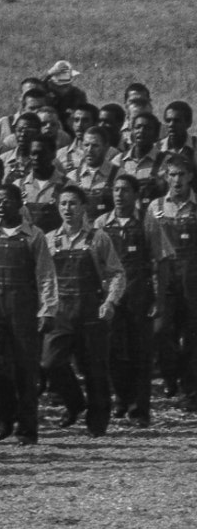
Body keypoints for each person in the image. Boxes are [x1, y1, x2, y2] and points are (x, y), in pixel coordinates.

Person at [0, 184, 57, 445]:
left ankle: (27, 429)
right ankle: (5, 413)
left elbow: (45, 274)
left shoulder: (34, 236)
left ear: (19, 203)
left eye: (7, 200)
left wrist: (47, 309)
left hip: (23, 307)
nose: (1, 205)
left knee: (26, 369)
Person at [43, 186, 125, 437]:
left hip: (91, 312)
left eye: (73, 203)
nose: (68, 209)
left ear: (84, 207)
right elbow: (43, 277)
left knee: (94, 369)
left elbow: (117, 273)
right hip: (61, 312)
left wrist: (110, 302)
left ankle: (97, 422)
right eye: (63, 204)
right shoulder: (49, 240)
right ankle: (75, 402)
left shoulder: (99, 238)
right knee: (49, 362)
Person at [94, 175, 173, 426]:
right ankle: (122, 399)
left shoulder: (147, 222)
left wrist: (159, 299)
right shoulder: (101, 224)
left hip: (139, 294)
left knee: (141, 353)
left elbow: (163, 259)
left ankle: (140, 410)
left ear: (136, 194)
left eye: (125, 190)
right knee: (114, 352)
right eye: (116, 189)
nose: (119, 194)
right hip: (111, 297)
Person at [148, 157, 197, 410]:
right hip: (164, 278)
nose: (177, 180)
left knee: (191, 335)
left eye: (182, 174)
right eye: (172, 174)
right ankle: (170, 374)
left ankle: (190, 390)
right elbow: (148, 244)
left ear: (190, 176)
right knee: (160, 330)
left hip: (192, 279)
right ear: (166, 177)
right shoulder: (155, 207)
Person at [13, 133, 67, 233]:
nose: (37, 157)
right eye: (33, 153)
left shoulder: (67, 186)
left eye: (42, 153)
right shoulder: (18, 186)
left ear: (53, 154)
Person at [67, 126, 119, 221]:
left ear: (106, 147)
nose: (90, 150)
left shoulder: (118, 175)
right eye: (86, 145)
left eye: (95, 146)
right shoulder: (72, 177)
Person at [117, 113, 167, 206]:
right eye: (137, 127)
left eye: (147, 128)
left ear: (156, 134)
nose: (142, 131)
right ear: (131, 131)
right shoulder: (118, 161)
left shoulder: (166, 161)